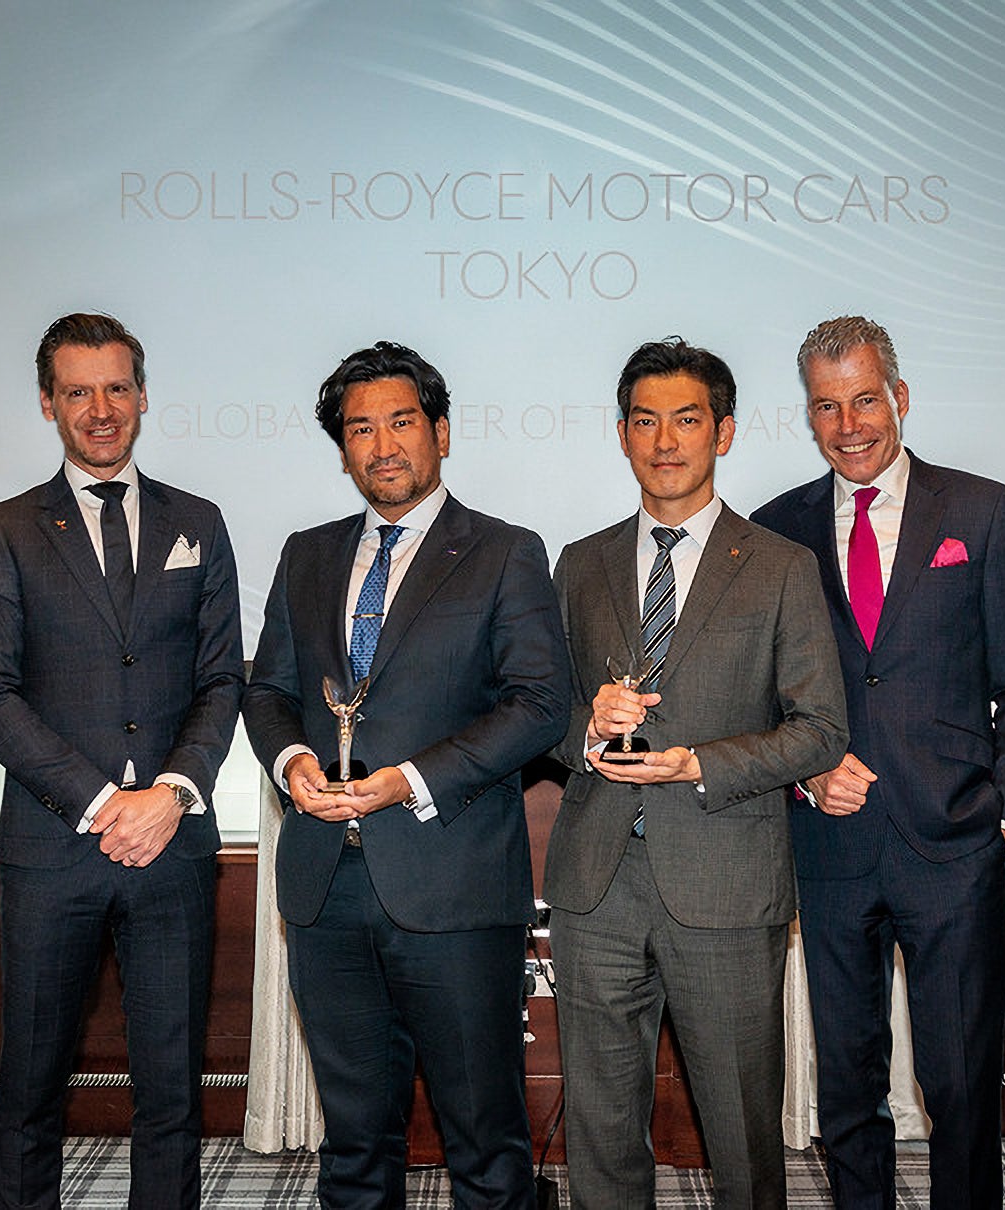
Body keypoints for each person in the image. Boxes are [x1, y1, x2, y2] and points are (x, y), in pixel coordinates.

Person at [242, 340, 570, 1209]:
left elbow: (541, 706)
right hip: (324, 888)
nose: (383, 446)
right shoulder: (306, 555)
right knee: (353, 1144)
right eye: (360, 429)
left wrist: (410, 780)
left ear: (441, 433)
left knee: (485, 1144)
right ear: (342, 448)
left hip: (453, 887)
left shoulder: (505, 551)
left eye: (402, 423)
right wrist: (292, 761)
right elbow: (267, 692)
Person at [751, 315, 1005, 1209]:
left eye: (865, 400)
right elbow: (760, 697)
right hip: (830, 845)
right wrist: (805, 771)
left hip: (954, 845)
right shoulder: (775, 531)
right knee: (848, 1089)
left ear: (900, 397)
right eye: (826, 406)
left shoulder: (979, 509)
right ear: (809, 414)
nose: (848, 425)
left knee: (961, 1086)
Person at [543, 337, 848, 1209]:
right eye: (645, 422)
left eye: (686, 420)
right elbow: (540, 713)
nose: (665, 440)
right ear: (622, 434)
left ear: (725, 432)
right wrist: (585, 726)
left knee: (743, 1135)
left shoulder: (782, 566)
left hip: (727, 881)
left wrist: (698, 765)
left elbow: (820, 730)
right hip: (596, 885)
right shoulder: (580, 562)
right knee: (601, 1134)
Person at [0, 313, 244, 1209]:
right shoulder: (5, 529)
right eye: (78, 391)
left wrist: (170, 793)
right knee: (31, 1086)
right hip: (54, 851)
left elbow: (223, 678)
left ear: (144, 396)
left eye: (117, 387)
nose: (101, 409)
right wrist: (98, 801)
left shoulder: (197, 522)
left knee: (172, 1091)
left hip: (173, 846)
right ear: (48, 404)